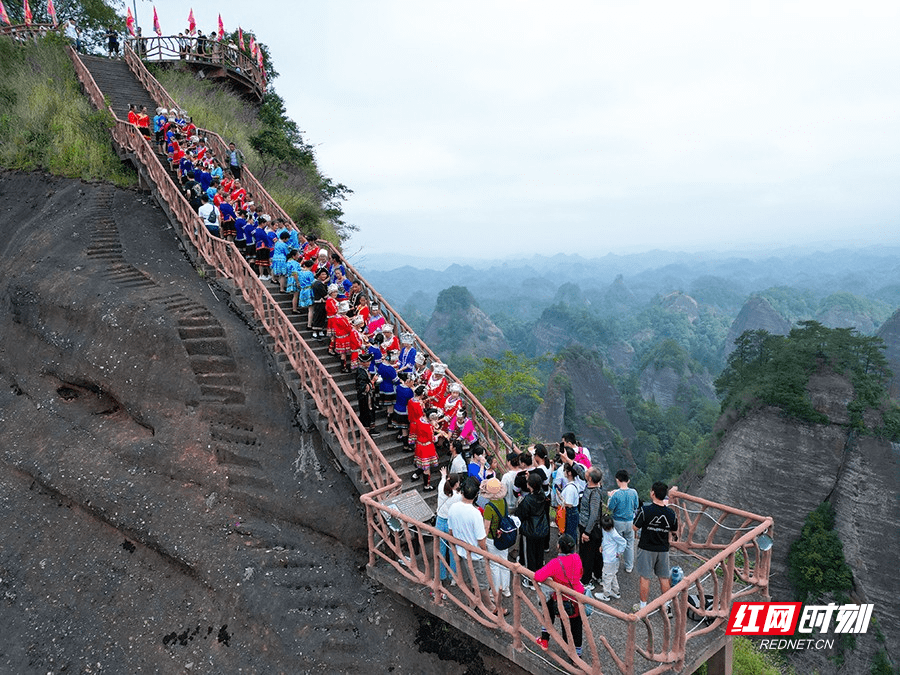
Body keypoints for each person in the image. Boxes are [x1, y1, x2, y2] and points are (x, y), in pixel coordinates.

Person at [448, 478, 504, 616]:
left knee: (466, 579)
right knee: (482, 583)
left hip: (460, 551)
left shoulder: (453, 507)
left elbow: (450, 532)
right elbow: (481, 540)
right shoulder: (475, 514)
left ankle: (471, 601)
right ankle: (490, 607)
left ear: (461, 492)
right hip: (475, 554)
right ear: (476, 495)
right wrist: (485, 552)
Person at [534, 534, 585, 656]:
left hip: (563, 600)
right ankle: (577, 653)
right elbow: (581, 573)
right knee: (577, 625)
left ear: (559, 547)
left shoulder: (555, 563)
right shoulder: (577, 558)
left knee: (558, 619)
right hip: (578, 597)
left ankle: (548, 639)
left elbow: (538, 576)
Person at [633, 482, 678, 613]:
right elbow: (674, 530)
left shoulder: (645, 510)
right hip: (663, 549)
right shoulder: (671, 513)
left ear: (652, 493)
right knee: (664, 578)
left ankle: (643, 607)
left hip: (646, 548)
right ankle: (667, 606)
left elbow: (635, 527)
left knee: (645, 577)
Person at [480, 477, 511, 603]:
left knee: (494, 565)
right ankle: (506, 589)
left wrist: (482, 540)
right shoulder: (503, 501)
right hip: (504, 535)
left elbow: (486, 527)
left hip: (493, 538)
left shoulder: (489, 507)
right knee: (504, 562)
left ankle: (496, 591)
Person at [517, 472, 550, 581]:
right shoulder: (542, 495)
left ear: (529, 485)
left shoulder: (527, 500)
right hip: (541, 527)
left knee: (529, 554)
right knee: (539, 552)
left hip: (530, 529)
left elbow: (521, 515)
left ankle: (530, 579)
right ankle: (539, 574)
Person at [607, 469, 640, 573]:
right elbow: (636, 506)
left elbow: (610, 507)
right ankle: (629, 566)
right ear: (628, 480)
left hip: (617, 522)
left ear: (618, 480)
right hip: (630, 522)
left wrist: (610, 497)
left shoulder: (616, 494)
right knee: (630, 544)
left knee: (616, 543)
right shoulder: (634, 492)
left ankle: (615, 567)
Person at [578, 467, 605, 589]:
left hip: (590, 529)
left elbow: (594, 515)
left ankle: (586, 580)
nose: (585, 473)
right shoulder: (590, 487)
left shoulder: (594, 494)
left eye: (587, 472)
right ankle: (598, 576)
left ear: (589, 478)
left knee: (587, 555)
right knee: (594, 553)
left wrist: (586, 532)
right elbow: (579, 471)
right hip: (588, 526)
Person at [435, 468, 461, 583]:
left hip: (440, 521)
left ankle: (441, 576)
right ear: (456, 484)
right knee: (452, 549)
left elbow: (443, 480)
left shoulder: (441, 488)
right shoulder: (457, 496)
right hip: (451, 524)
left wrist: (444, 475)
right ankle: (453, 577)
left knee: (440, 549)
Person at [597, 514, 626, 601]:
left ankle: (606, 594)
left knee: (606, 576)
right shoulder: (605, 530)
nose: (607, 529)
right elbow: (605, 539)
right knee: (612, 575)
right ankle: (616, 591)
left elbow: (623, 542)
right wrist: (602, 545)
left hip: (610, 559)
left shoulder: (614, 533)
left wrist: (619, 552)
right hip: (610, 557)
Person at [354, 352, 377, 436]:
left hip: (367, 397)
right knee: (365, 413)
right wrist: (373, 381)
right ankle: (365, 431)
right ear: (364, 363)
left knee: (369, 412)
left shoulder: (363, 370)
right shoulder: (361, 373)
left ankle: (370, 429)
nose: (370, 363)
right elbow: (364, 387)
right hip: (364, 397)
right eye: (368, 361)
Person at [310, 268, 330, 339]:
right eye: (322, 274)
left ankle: (320, 331)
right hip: (319, 302)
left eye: (325, 274)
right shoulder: (318, 284)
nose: (324, 276)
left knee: (322, 317)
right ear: (319, 275)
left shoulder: (319, 283)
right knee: (318, 317)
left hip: (321, 303)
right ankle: (315, 332)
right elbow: (324, 294)